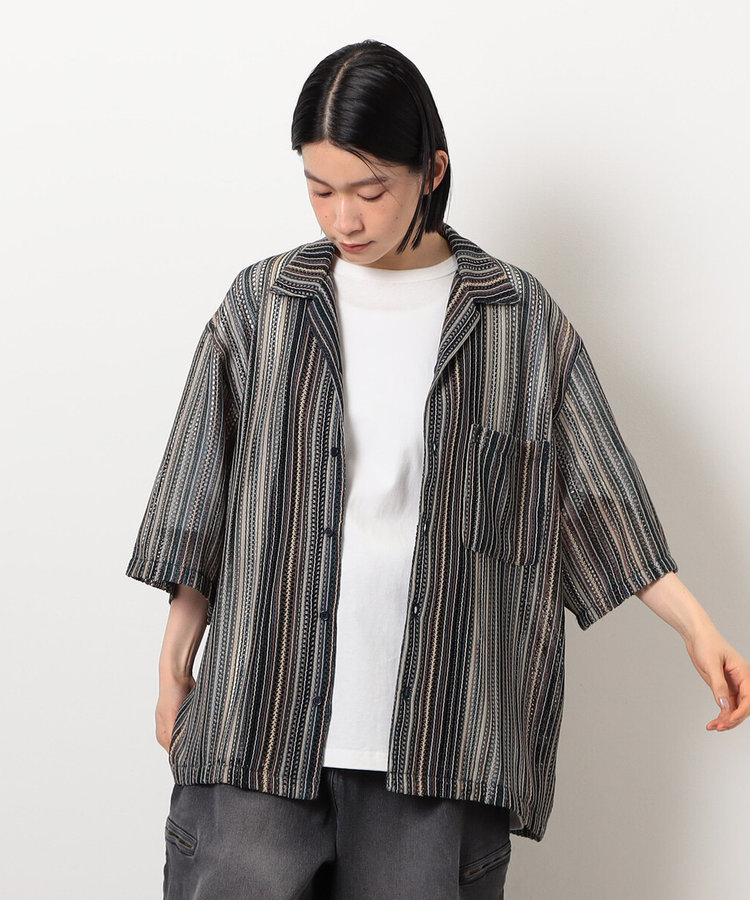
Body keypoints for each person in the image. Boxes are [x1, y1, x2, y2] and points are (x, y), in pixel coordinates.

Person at [125, 39, 750, 899]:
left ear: (433, 171)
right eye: (319, 189)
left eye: (369, 189)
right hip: (254, 722)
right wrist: (174, 662)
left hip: (443, 740)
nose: (344, 218)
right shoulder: (262, 307)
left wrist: (698, 629)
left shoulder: (518, 321)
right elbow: (202, 493)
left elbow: (597, 495)